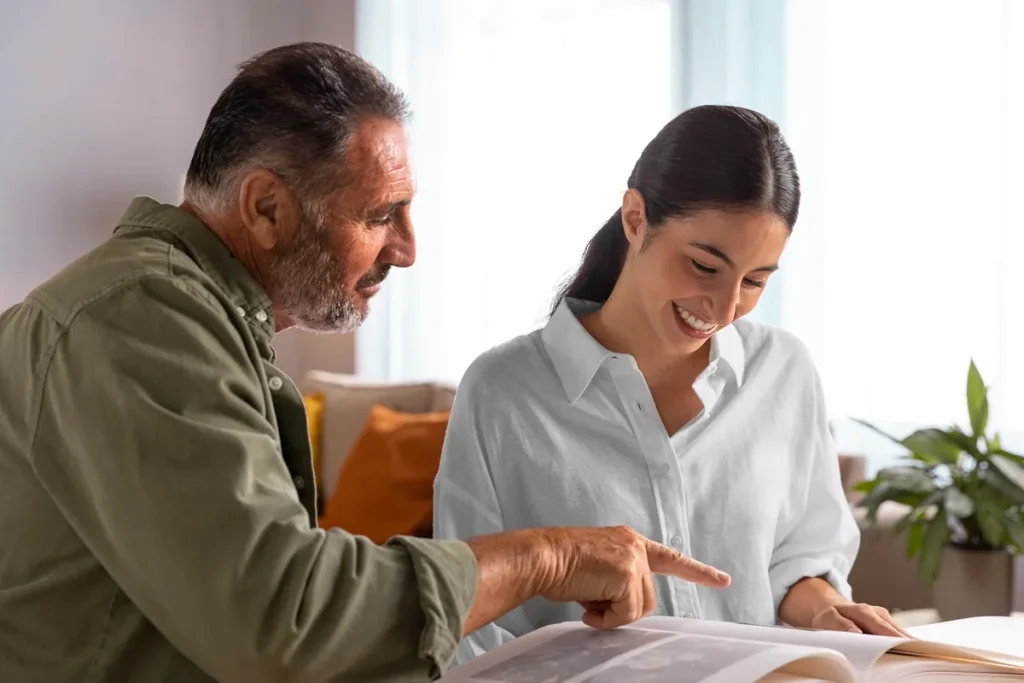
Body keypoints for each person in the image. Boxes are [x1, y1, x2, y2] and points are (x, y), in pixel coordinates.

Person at [0, 43, 732, 683]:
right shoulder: (140, 319)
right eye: (381, 215)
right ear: (265, 208)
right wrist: (546, 558)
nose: (407, 248)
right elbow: (285, 621)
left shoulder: (194, 320)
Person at [433, 104, 909, 664]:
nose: (725, 307)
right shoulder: (504, 392)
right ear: (636, 219)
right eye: (705, 266)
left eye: (755, 280)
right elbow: (470, 624)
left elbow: (796, 561)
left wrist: (824, 607)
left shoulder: (784, 370)